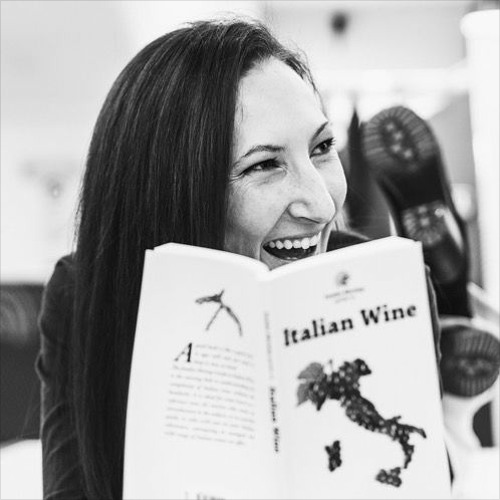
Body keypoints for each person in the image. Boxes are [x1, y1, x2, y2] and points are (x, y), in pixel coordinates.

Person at [36, 18, 440, 500]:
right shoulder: (86, 294)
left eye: (323, 147)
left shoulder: (386, 282)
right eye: (265, 165)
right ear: (173, 192)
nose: (322, 205)